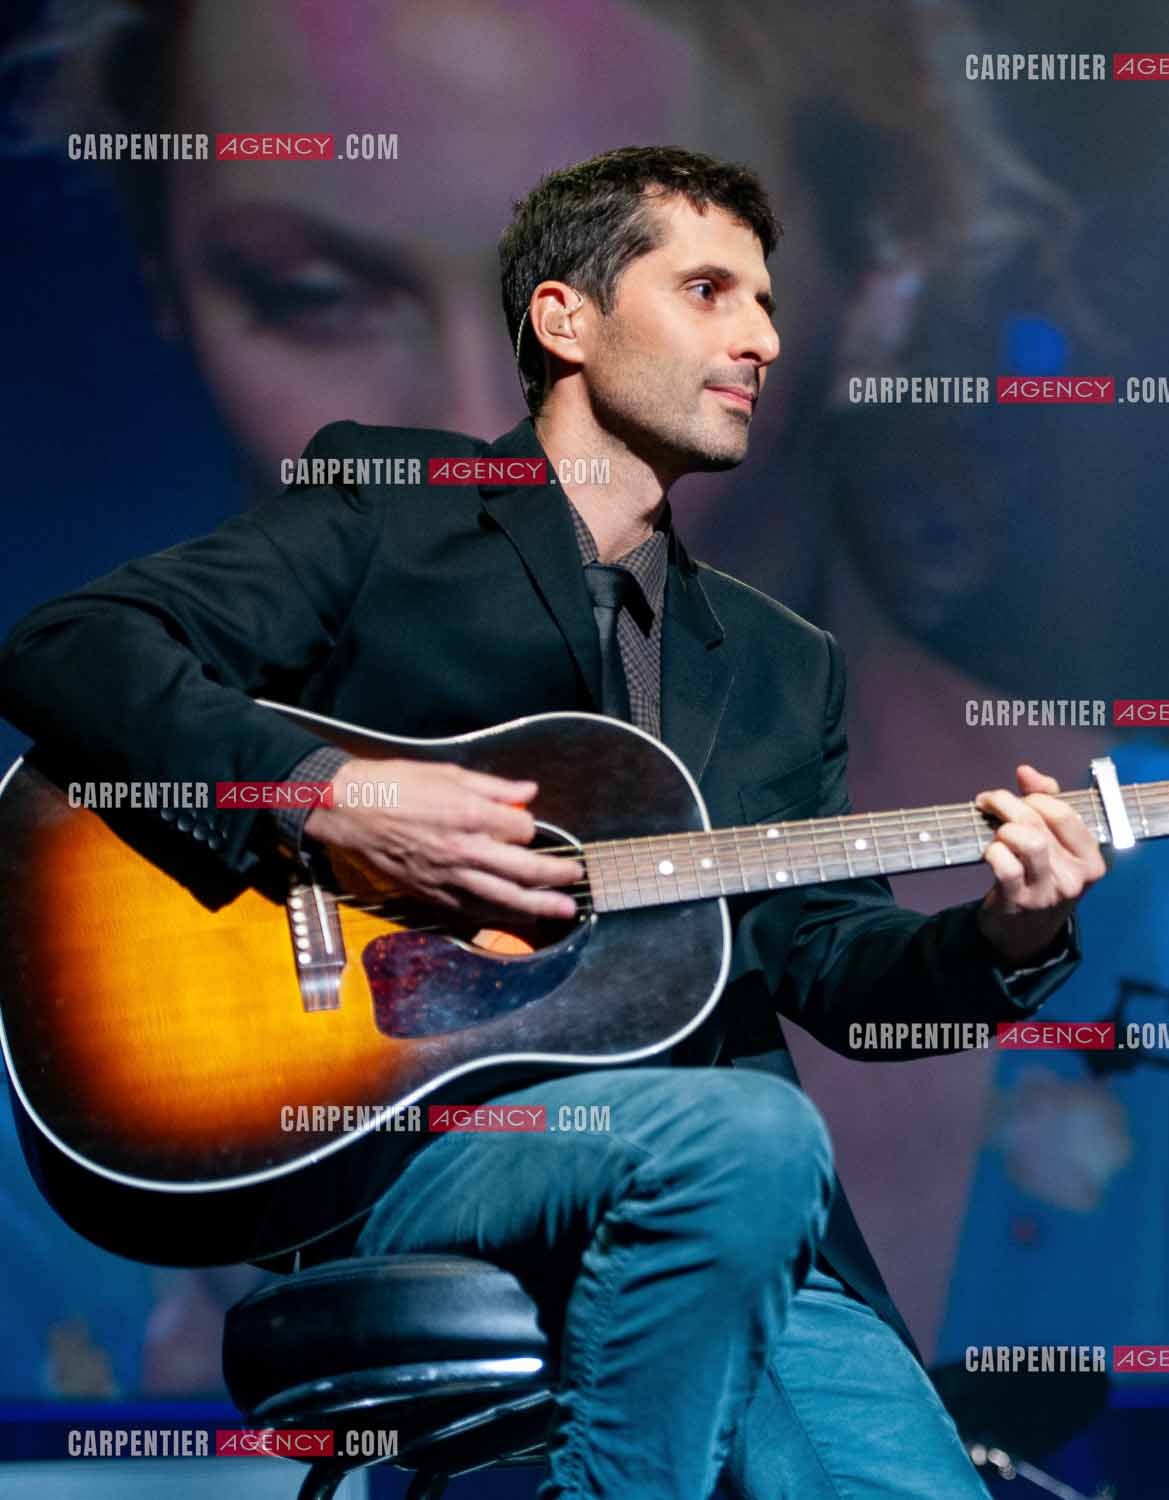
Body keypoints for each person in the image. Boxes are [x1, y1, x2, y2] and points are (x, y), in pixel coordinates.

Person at [0, 146, 1106, 1500]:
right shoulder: (393, 506)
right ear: (564, 320)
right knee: (749, 1141)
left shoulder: (778, 662)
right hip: (410, 1149)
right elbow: (73, 648)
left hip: (725, 1202)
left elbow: (824, 960)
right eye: (708, 290)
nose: (759, 336)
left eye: (766, 301)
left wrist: (1007, 932)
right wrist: (327, 799)